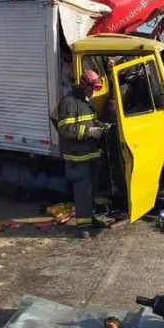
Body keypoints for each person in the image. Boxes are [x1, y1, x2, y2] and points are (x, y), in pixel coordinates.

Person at [56, 70, 108, 237]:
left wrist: (102, 125)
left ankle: (90, 219)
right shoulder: (69, 103)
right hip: (77, 157)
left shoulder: (86, 102)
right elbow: (65, 129)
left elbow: (91, 120)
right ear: (85, 85)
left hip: (90, 154)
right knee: (83, 191)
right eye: (92, 89)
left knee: (92, 190)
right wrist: (89, 132)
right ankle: (82, 227)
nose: (94, 92)